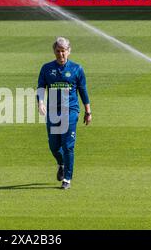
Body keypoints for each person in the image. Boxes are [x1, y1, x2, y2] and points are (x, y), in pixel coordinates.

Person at [37, 37, 92, 190]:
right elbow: (41, 87)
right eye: (58, 51)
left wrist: (88, 111)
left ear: (69, 51)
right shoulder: (46, 68)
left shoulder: (76, 69)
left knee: (68, 146)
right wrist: (40, 102)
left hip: (71, 111)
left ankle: (67, 178)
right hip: (53, 112)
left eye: (63, 51)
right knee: (54, 146)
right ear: (54, 51)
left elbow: (83, 90)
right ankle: (61, 163)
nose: (61, 55)